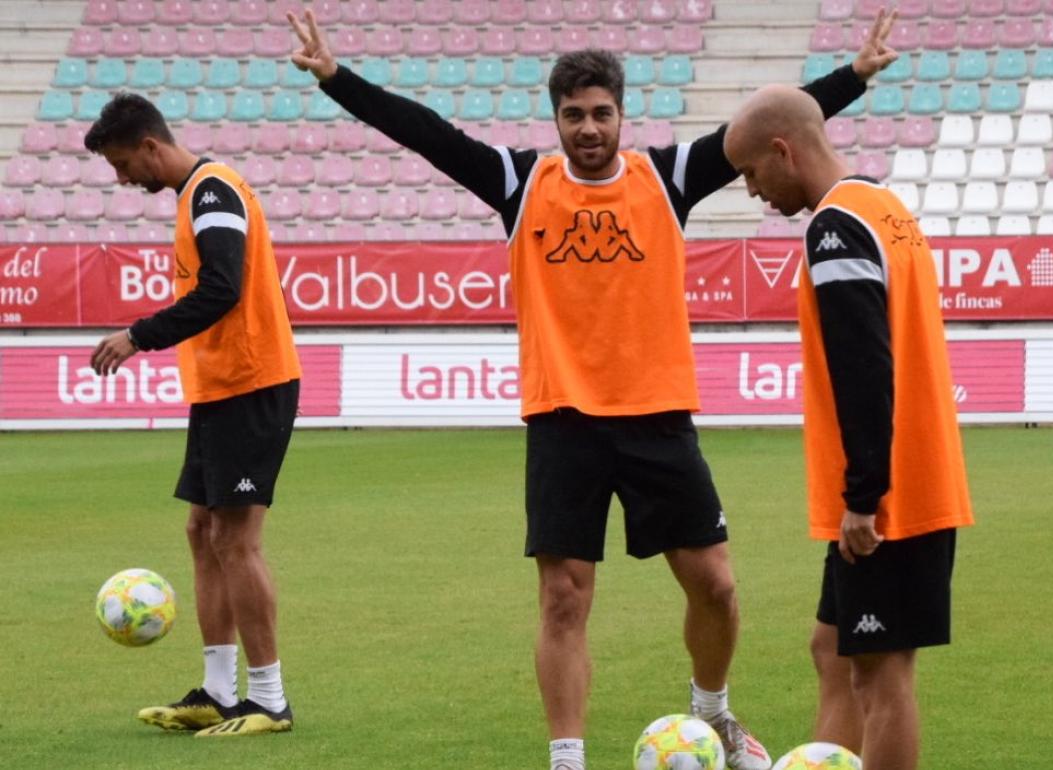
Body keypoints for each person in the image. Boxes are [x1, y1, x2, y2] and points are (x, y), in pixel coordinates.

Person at [287, 9, 896, 769]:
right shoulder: (521, 183)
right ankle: (567, 759)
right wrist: (338, 79)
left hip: (659, 418)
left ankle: (714, 716)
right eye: (573, 115)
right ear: (556, 119)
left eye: (601, 113)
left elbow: (770, 127)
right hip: (564, 420)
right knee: (564, 599)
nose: (588, 128)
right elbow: (427, 134)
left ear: (621, 114)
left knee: (716, 587)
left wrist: (855, 77)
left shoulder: (666, 178)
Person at [722, 85, 975, 770]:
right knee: (833, 650)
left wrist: (864, 499)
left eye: (750, 172)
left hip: (891, 497)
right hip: (910, 478)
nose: (751, 191)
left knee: (881, 677)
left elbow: (866, 370)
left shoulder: (834, 229)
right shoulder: (882, 205)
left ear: (783, 150)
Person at [86, 93, 302, 737]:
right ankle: (216, 691)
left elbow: (222, 288)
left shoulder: (212, 194)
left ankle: (268, 699)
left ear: (151, 146)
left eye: (124, 164)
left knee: (237, 540)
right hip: (219, 388)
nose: (123, 178)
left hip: (251, 382)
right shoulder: (194, 197)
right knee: (203, 533)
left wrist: (138, 335)